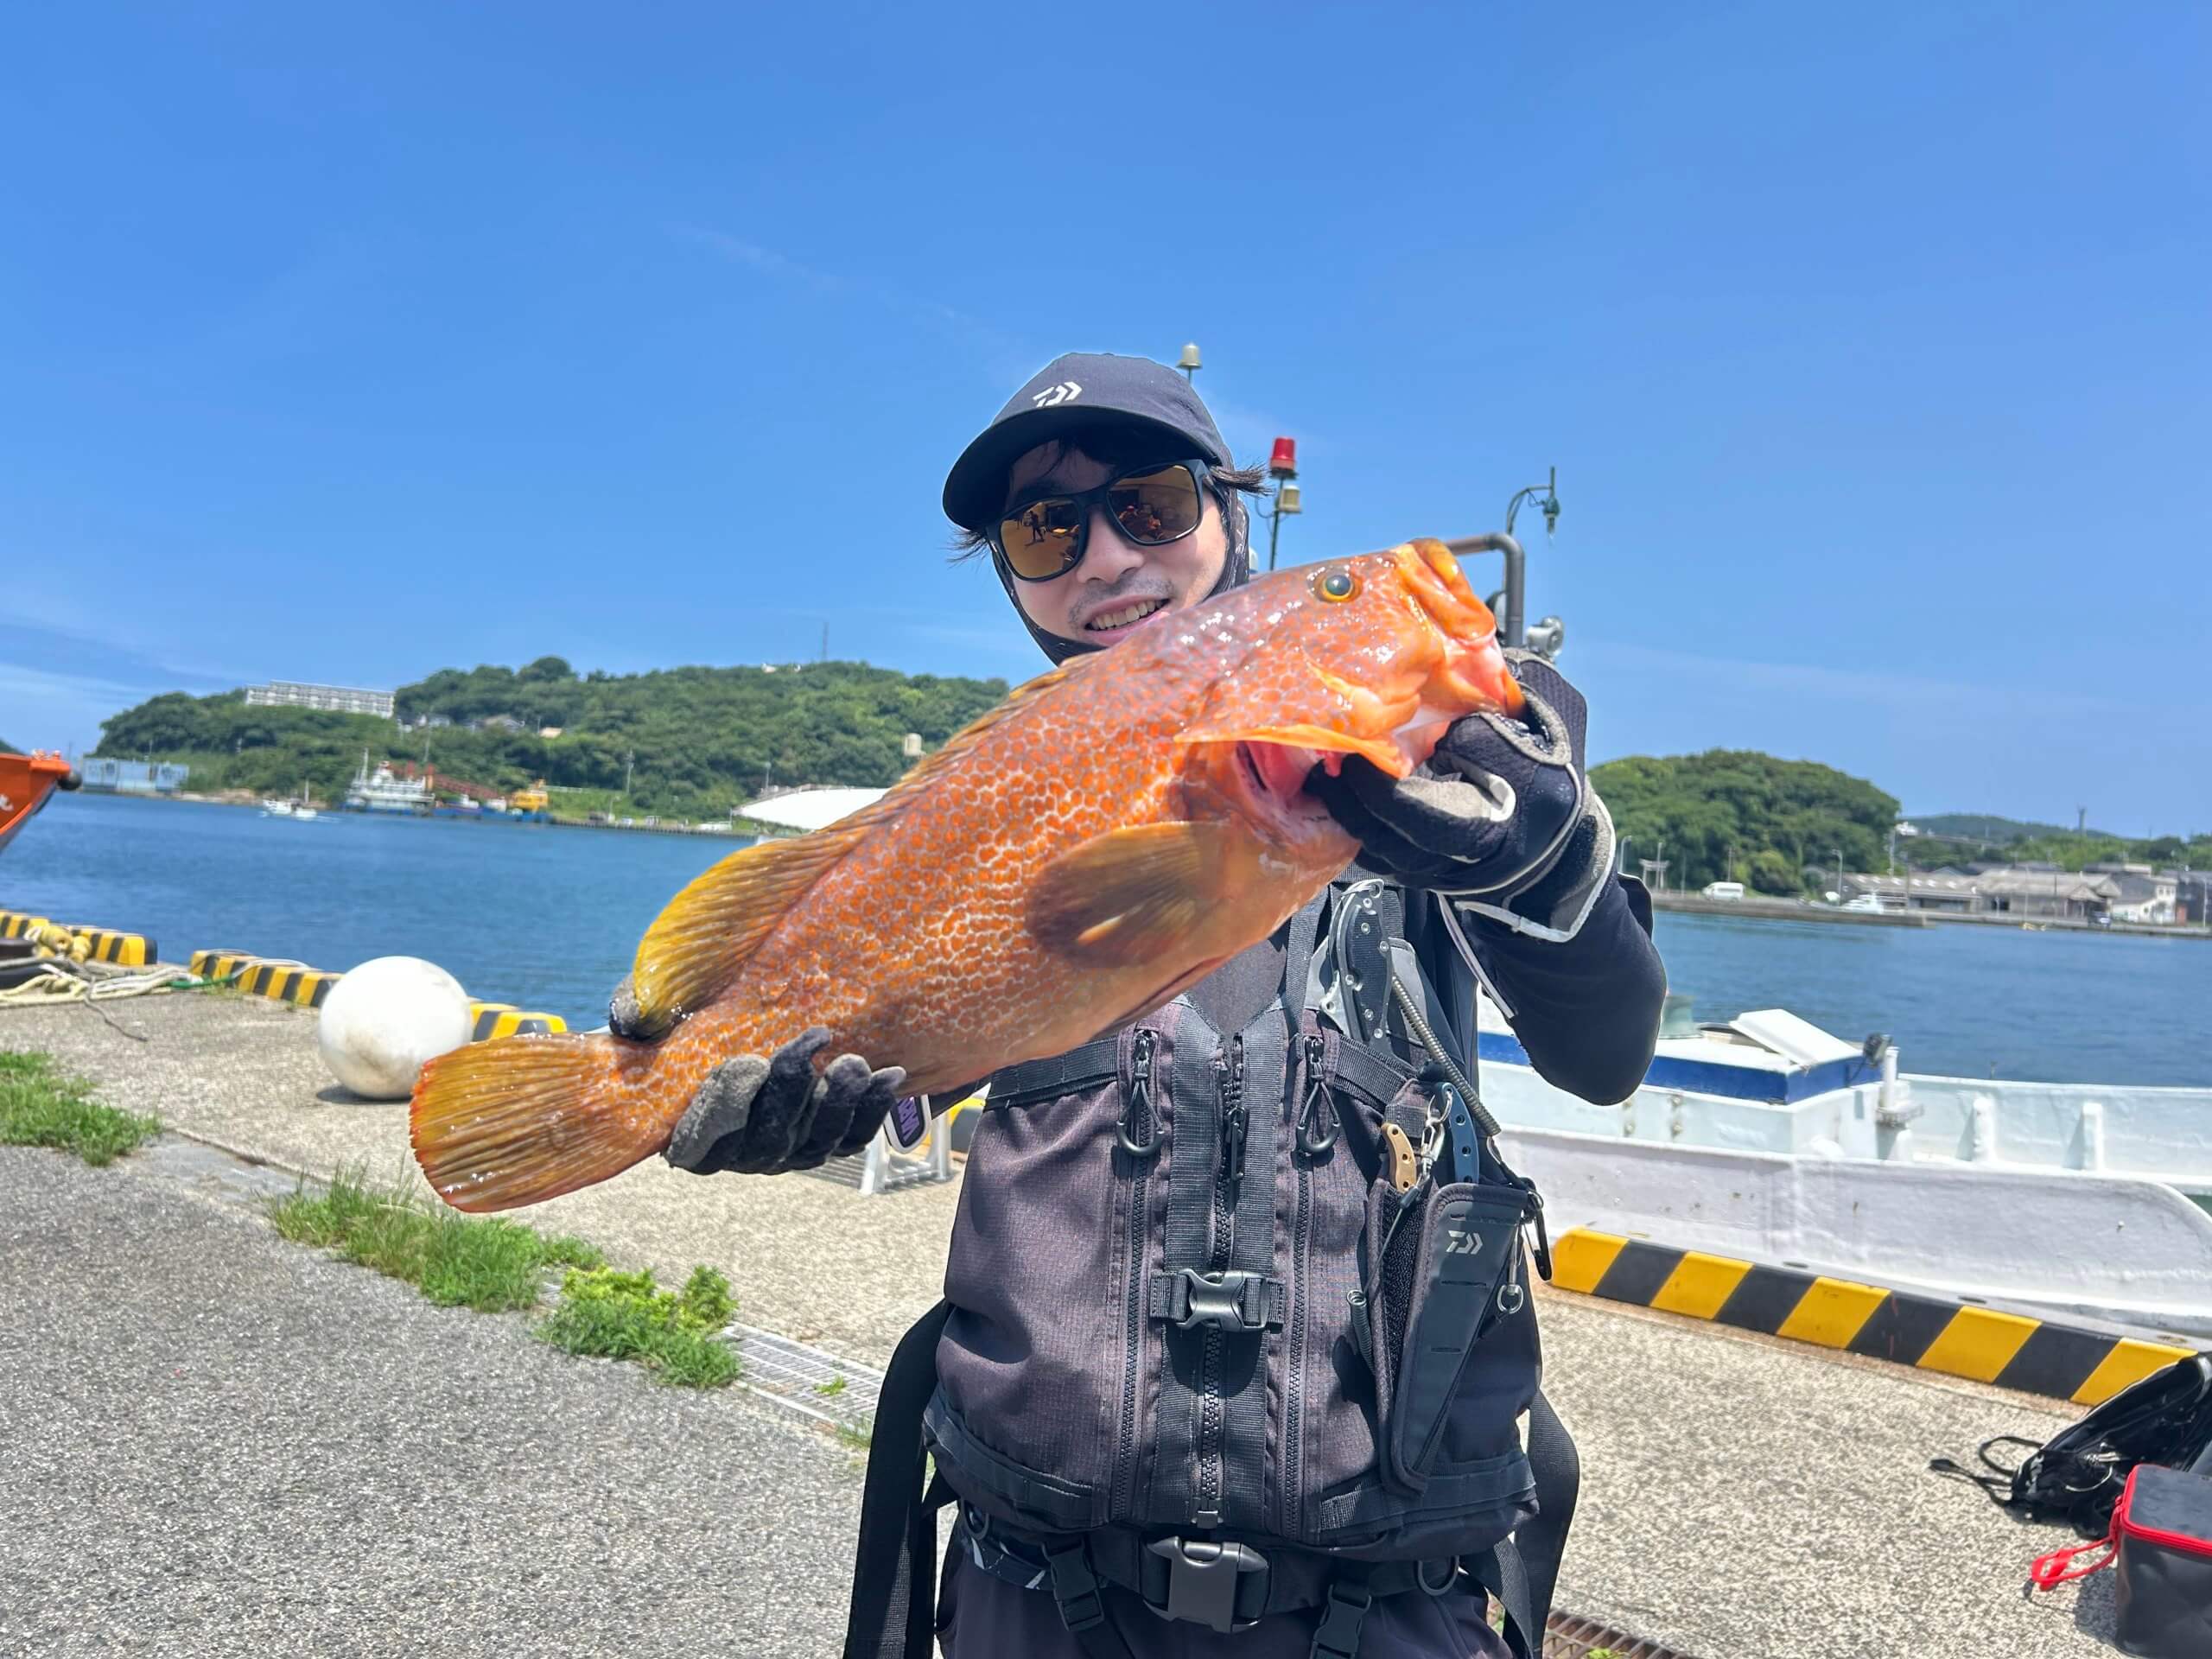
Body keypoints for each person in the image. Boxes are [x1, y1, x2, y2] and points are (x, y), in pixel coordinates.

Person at [645, 354, 1668, 1658]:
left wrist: (1542, 858)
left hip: (1385, 1606)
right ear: (1012, 573)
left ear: (1230, 514)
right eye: (1045, 528)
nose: (1108, 557)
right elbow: (908, 1069)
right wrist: (796, 1111)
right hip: (1038, 1591)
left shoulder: (1453, 744)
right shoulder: (988, 803)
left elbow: (1609, 1050)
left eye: (1154, 504)